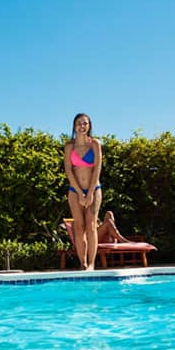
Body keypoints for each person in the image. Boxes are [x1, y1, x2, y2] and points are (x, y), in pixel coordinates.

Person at [64, 113, 103, 270]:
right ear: (74, 126)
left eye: (85, 123)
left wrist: (91, 191)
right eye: (79, 123)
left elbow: (98, 168)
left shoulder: (94, 144)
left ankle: (92, 263)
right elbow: (68, 169)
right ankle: (83, 263)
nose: (82, 126)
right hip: (75, 190)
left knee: (91, 225)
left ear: (89, 126)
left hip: (94, 188)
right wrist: (80, 193)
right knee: (78, 226)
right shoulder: (69, 146)